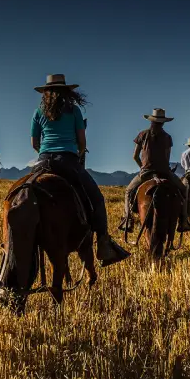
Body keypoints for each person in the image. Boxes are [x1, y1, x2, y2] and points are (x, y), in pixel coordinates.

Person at [31, 74, 131, 267]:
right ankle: (103, 243)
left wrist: (45, 152)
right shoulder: (74, 111)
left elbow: (35, 143)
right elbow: (82, 142)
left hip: (42, 161)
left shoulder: (38, 112)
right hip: (68, 160)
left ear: (46, 93)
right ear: (66, 92)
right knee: (97, 198)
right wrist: (77, 152)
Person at [120, 108, 190, 233]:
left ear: (151, 121)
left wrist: (142, 167)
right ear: (164, 122)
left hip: (146, 172)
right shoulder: (168, 137)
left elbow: (135, 156)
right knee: (183, 190)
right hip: (164, 172)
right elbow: (167, 157)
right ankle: (184, 221)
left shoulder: (142, 135)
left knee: (128, 191)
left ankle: (128, 220)